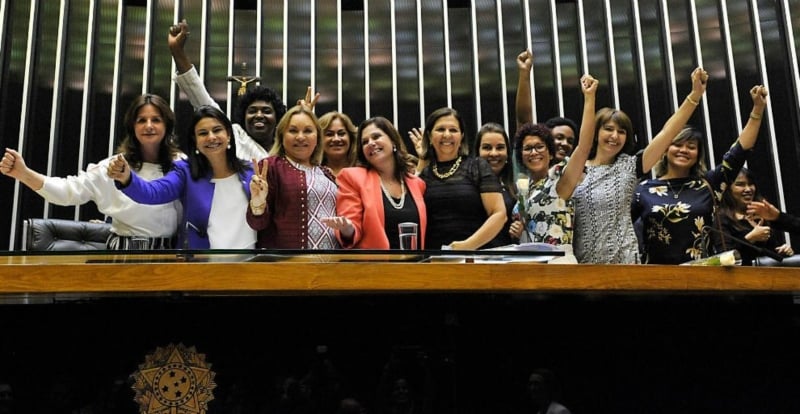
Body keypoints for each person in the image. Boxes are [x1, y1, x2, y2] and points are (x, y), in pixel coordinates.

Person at [0, 94, 182, 250]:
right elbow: (67, 192)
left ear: (167, 125)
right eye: (141, 120)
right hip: (123, 253)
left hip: (171, 253)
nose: (148, 126)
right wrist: (23, 174)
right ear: (132, 128)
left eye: (156, 120)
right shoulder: (113, 166)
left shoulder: (182, 164)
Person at [572, 67, 709, 264]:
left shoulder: (629, 166)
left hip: (625, 263)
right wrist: (589, 97)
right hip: (582, 263)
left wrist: (694, 95)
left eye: (621, 131)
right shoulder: (574, 168)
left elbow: (667, 133)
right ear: (595, 133)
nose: (614, 136)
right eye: (608, 129)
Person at [632, 85, 769, 264]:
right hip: (656, 278)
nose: (684, 150)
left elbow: (739, 152)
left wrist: (757, 109)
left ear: (698, 154)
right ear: (665, 150)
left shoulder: (708, 184)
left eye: (691, 147)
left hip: (703, 274)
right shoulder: (643, 189)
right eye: (678, 144)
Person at [108, 105, 255, 249]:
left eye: (217, 130)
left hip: (250, 263)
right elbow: (153, 193)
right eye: (203, 133)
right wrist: (128, 178)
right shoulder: (185, 171)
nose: (211, 137)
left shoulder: (252, 171)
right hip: (201, 264)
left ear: (228, 134)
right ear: (195, 141)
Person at [168, 19, 288, 160]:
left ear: (277, 118)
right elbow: (201, 99)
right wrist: (178, 52)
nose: (259, 115)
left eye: (266, 111)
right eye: (252, 111)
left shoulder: (286, 147)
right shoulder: (234, 136)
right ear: (244, 117)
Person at [509, 75, 598, 260]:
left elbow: (584, 147)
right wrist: (517, 230)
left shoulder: (559, 182)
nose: (534, 152)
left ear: (550, 153)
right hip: (527, 264)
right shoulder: (525, 188)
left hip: (558, 263)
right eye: (528, 148)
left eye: (540, 147)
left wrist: (589, 98)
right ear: (521, 156)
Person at [323, 117, 427, 249]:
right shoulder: (353, 178)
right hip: (374, 266)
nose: (371, 143)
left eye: (376, 137)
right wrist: (347, 229)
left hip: (415, 267)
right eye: (365, 142)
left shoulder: (417, 184)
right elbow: (351, 225)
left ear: (393, 141)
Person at [411, 107, 506, 250]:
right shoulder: (423, 174)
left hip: (474, 258)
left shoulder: (477, 166)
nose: (447, 135)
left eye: (453, 130)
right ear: (430, 137)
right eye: (440, 129)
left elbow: (499, 214)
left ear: (461, 137)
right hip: (433, 261)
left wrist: (468, 246)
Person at [247, 105, 339, 249]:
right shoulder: (270, 167)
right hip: (288, 266)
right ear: (282, 135)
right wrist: (258, 203)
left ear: (317, 138)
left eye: (308, 131)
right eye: (293, 130)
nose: (300, 137)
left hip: (331, 265)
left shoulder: (326, 173)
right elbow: (257, 224)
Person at [716, 167, 799, 266]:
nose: (748, 189)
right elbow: (723, 259)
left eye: (751, 184)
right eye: (740, 184)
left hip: (771, 276)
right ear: (728, 189)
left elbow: (770, 252)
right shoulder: (722, 218)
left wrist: (783, 252)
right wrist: (750, 238)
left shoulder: (762, 213)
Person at [515, 49, 578, 163]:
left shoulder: (575, 171)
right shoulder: (531, 162)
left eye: (570, 141)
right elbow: (524, 120)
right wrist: (524, 73)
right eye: (559, 137)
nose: (565, 144)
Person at [474, 122, 518, 247]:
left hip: (507, 259)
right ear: (477, 152)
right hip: (473, 256)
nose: (494, 153)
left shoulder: (515, 189)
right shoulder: (467, 185)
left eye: (500, 148)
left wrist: (520, 229)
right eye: (487, 147)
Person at [319, 111, 359, 177]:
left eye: (341, 133)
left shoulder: (364, 169)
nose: (336, 139)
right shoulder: (312, 172)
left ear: (351, 138)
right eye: (329, 134)